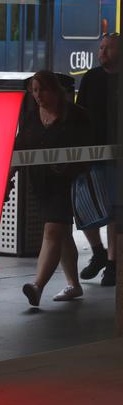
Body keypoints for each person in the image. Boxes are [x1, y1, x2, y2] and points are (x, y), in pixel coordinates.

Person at [16, 71, 92, 306]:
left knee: (52, 232)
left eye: (43, 90)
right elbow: (20, 147)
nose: (39, 96)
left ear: (55, 90)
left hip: (67, 185)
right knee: (62, 235)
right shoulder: (30, 117)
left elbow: (88, 150)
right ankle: (74, 285)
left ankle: (37, 286)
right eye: (35, 91)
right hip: (41, 185)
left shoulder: (76, 116)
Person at [75, 33, 119, 287]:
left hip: (116, 155)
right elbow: (81, 113)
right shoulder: (91, 78)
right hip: (92, 152)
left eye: (108, 48)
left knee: (115, 210)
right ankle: (98, 252)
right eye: (101, 47)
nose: (101, 52)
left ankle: (112, 262)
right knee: (84, 206)